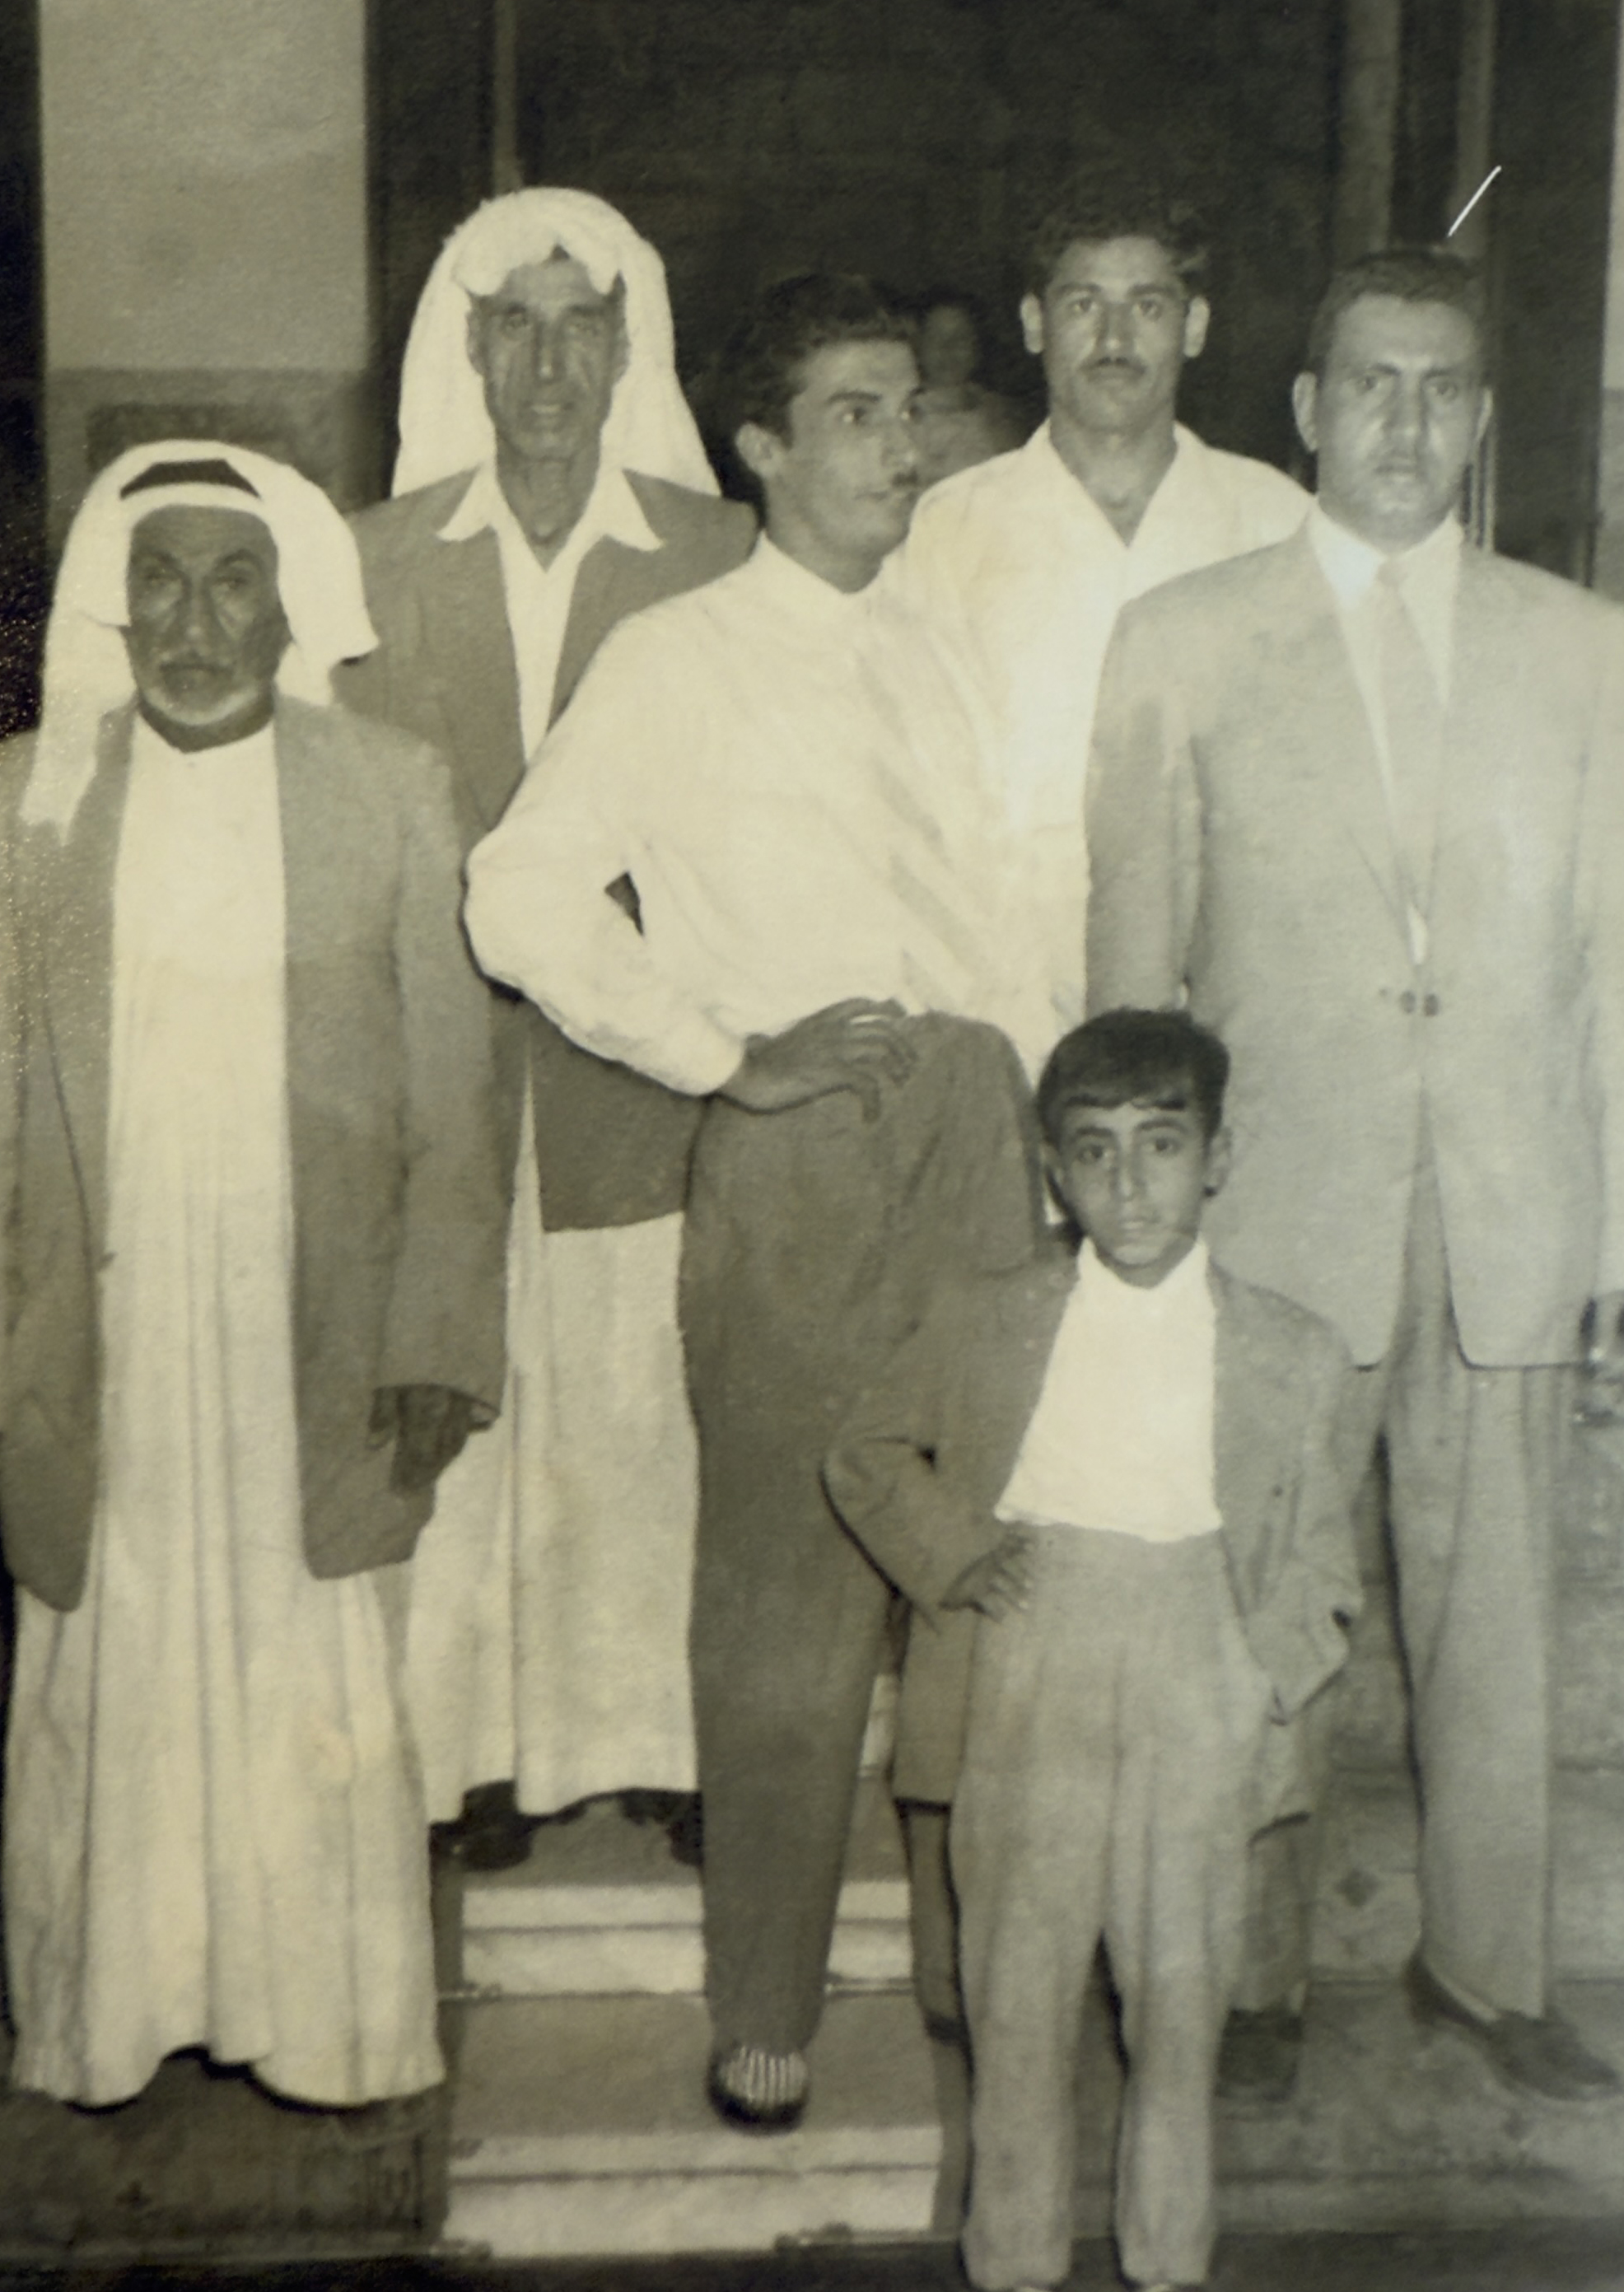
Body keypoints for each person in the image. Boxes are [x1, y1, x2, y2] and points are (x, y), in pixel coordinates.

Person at [465, 273, 1046, 2129]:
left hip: (982, 1129)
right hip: (802, 1147)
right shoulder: (676, 657)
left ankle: (975, 1975)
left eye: (910, 408)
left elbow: (1028, 909)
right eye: (855, 412)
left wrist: (1041, 1130)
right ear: (761, 448)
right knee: (785, 1593)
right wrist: (720, 1053)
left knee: (981, 1557)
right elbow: (515, 891)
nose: (899, 443)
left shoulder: (961, 646)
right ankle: (766, 2001)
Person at [1085, 247, 1624, 2104]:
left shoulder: (1583, 647)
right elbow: (1132, 967)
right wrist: (1132, 1221)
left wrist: (1613, 1231)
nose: (1403, 422)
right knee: (1263, 1595)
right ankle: (1242, 1980)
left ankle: (1488, 1966)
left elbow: (1615, 964)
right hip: (1275, 1210)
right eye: (1370, 384)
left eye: (1440, 388)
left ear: (1480, 422)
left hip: (1504, 1203)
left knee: (1500, 1616)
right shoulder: (1182, 638)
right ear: (1307, 411)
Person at [0, 441, 506, 2108]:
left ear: (292, 610)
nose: (194, 624)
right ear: (115, 600)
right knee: (107, 1648)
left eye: (233, 584)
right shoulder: (28, 803)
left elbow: (454, 1098)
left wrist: (437, 1336)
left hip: (318, 1320)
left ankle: (332, 2026)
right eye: (160, 581)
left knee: (316, 1661)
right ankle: (105, 2018)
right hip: (105, 1320)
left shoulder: (388, 784)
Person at [339, 189, 754, 1869]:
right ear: (467, 347)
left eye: (582, 327)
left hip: (644, 1067)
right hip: (435, 1070)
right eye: (514, 325)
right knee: (464, 1400)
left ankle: (657, 1742)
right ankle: (479, 1758)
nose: (548, 366)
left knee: (642, 1405)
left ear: (627, 348)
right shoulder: (370, 559)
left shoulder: (716, 552)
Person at [827, 1010, 1359, 2292]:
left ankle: (1169, 2258)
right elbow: (866, 1450)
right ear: (1052, 1170)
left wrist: (1259, 1674)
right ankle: (1013, 2259)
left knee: (1181, 2006)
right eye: (1095, 1150)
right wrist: (960, 1553)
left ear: (1219, 1155)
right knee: (1015, 2002)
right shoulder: (988, 1317)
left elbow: (1324, 1565)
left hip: (1200, 1659)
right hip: (1032, 1661)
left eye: (1162, 1144)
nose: (1130, 1184)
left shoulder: (1292, 1347)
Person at [889, 170, 1307, 1043]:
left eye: (1147, 307)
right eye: (1083, 305)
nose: (1114, 339)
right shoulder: (947, 531)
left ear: (1194, 326)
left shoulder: (1275, 523)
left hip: (1230, 999)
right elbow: (912, 802)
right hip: (1006, 1000)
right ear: (1034, 322)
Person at [908, 287, 1027, 489]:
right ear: (918, 344)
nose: (948, 349)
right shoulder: (907, 416)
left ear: (978, 345)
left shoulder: (1004, 414)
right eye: (935, 337)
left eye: (961, 338)